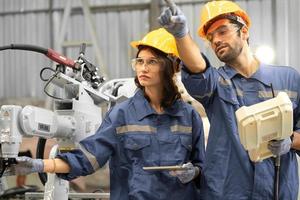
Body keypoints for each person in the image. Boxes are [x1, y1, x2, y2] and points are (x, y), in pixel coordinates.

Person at [5, 28, 205, 200]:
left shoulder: (189, 116)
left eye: (152, 62)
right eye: (139, 61)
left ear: (171, 65)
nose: (143, 68)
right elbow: (87, 158)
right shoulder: (122, 115)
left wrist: (194, 171)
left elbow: (202, 166)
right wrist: (37, 165)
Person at [159, 0, 300, 199]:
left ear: (244, 32)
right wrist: (181, 35)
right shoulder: (216, 84)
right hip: (227, 193)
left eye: (222, 31)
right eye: (210, 37)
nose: (215, 40)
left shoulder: (288, 79)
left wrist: (290, 140)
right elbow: (198, 68)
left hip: (277, 192)